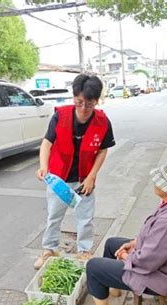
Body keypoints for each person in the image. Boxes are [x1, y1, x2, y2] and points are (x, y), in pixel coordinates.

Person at [76, 160, 167, 305]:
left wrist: (125, 256)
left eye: (159, 181)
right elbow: (157, 239)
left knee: (94, 266)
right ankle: (112, 287)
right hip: (166, 263)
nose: (155, 182)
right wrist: (135, 243)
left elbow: (146, 261)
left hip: (159, 276)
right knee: (111, 243)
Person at [34, 74, 116, 269]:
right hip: (58, 179)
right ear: (74, 98)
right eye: (79, 102)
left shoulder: (103, 121)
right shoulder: (60, 116)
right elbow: (47, 143)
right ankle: (49, 249)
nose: (84, 109)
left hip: (83, 181)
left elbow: (103, 150)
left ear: (97, 101)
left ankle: (84, 251)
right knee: (53, 216)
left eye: (89, 104)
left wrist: (91, 176)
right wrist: (43, 166)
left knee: (85, 219)